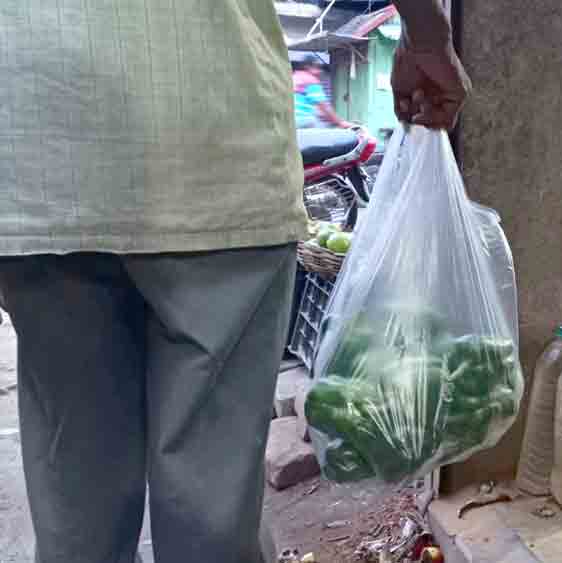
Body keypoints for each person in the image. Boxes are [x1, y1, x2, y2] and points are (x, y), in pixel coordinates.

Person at [0, 2, 467, 563]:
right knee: (210, 508)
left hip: (40, 148)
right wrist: (427, 33)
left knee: (77, 493)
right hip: (211, 134)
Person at [293, 55, 354, 129]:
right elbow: (324, 107)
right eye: (317, 67)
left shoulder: (294, 76)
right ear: (308, 67)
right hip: (303, 120)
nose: (320, 71)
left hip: (290, 121)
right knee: (324, 130)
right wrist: (340, 122)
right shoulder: (310, 80)